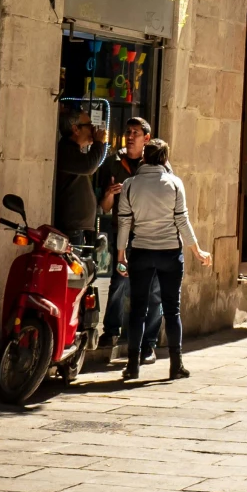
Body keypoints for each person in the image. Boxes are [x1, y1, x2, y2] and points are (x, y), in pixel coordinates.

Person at [115, 137, 211, 382]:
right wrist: (197, 250)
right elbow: (182, 220)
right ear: (165, 159)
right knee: (172, 309)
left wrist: (120, 254)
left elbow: (124, 222)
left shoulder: (129, 184)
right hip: (169, 252)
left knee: (137, 309)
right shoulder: (175, 183)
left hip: (141, 251)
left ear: (144, 157)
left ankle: (132, 365)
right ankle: (176, 364)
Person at [92, 118, 162, 369]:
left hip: (150, 236)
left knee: (153, 290)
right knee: (119, 283)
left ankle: (149, 344)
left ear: (147, 137)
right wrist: (110, 195)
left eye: (136, 133)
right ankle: (111, 331)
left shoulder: (157, 163)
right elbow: (103, 207)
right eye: (128, 132)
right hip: (123, 236)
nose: (130, 136)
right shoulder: (113, 162)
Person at [54, 105, 108, 241]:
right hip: (70, 229)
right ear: (75, 129)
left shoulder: (74, 150)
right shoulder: (66, 150)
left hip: (77, 229)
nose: (93, 129)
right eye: (89, 125)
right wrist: (99, 143)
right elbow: (89, 166)